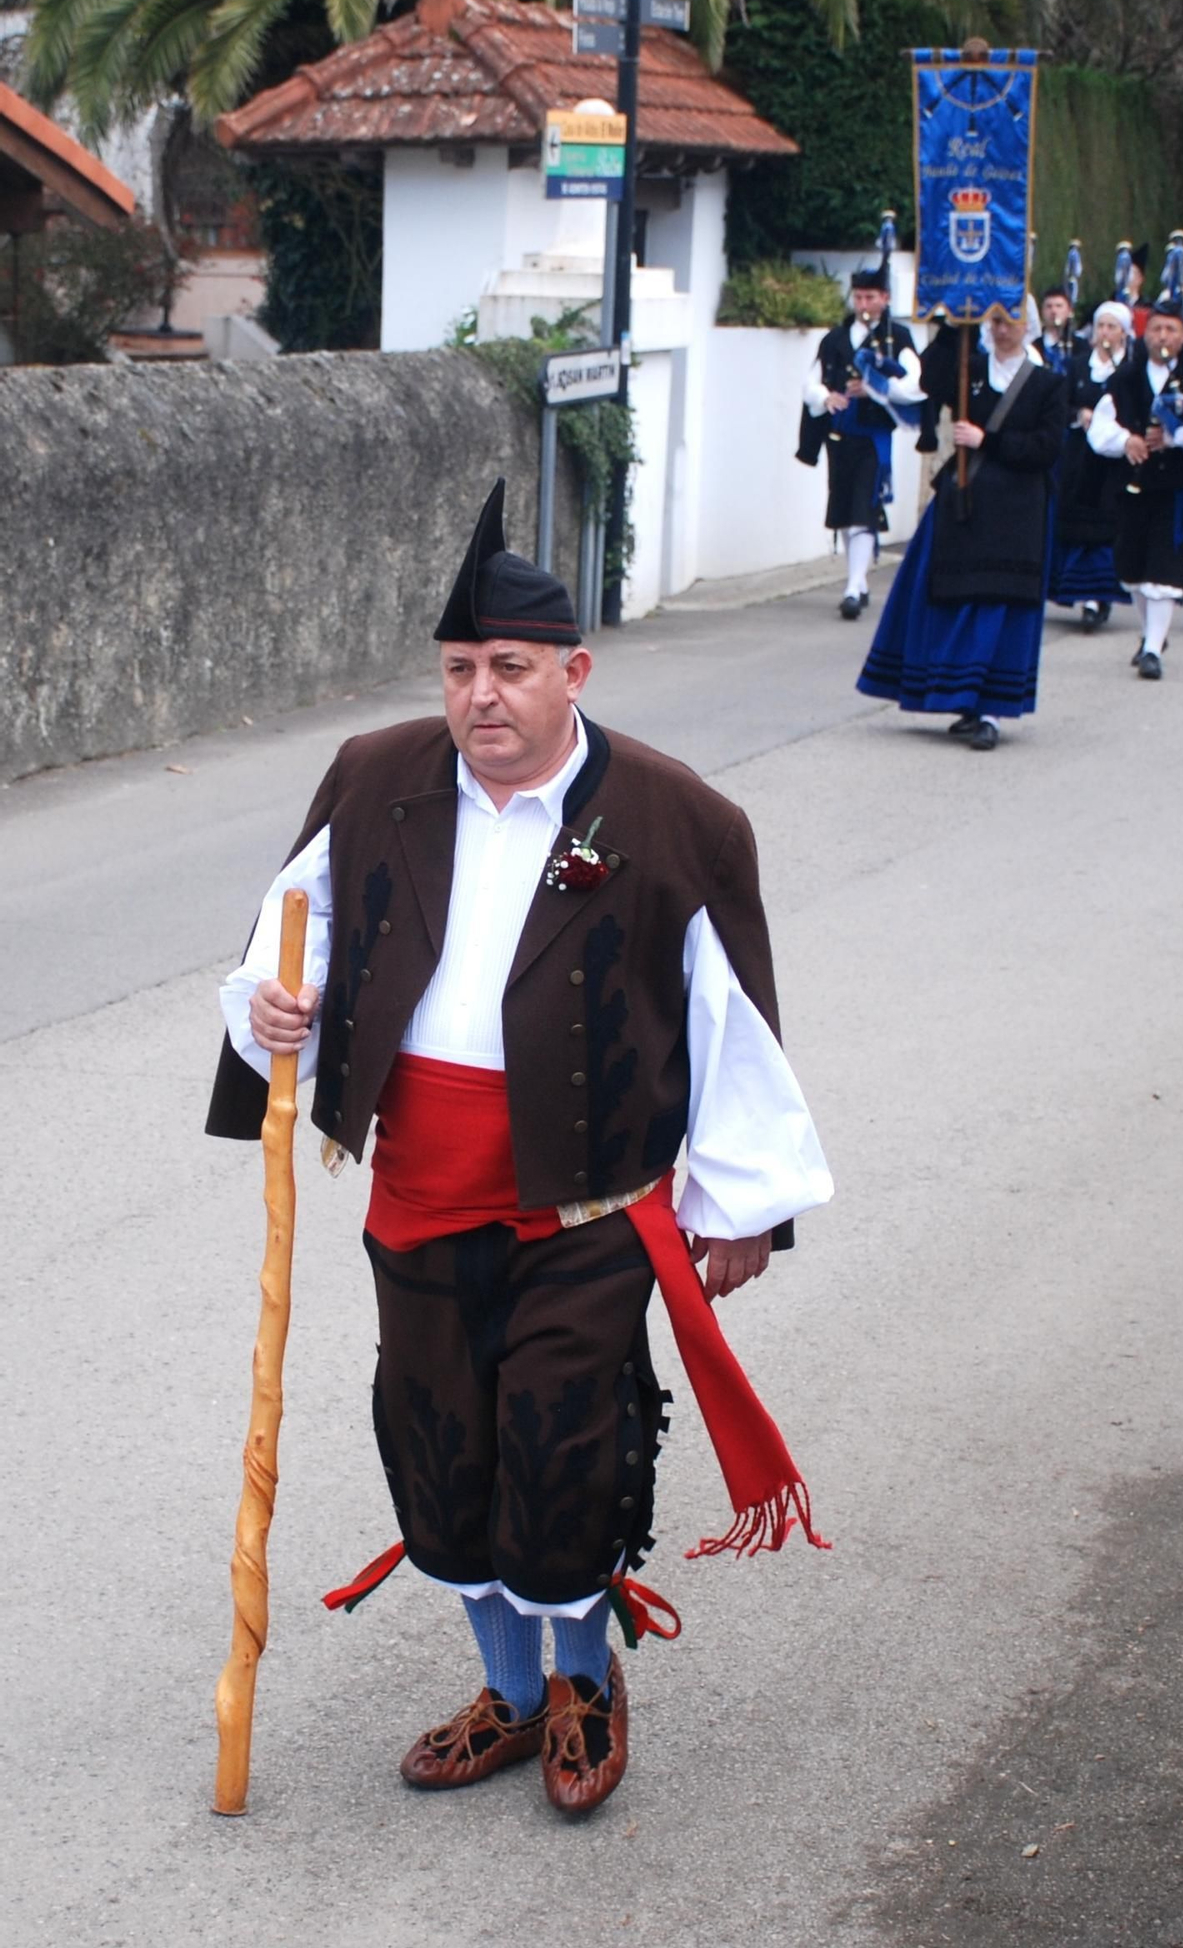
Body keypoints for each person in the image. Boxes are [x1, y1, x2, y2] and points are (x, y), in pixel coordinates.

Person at [207, 482, 833, 1812]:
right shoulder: (376, 780)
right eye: (458, 671)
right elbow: (292, 930)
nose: (481, 696)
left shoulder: (676, 820)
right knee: (444, 1454)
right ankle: (506, 1687)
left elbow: (730, 1024)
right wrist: (268, 1004)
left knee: (565, 1456)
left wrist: (740, 1207)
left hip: (589, 1216)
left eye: (509, 668)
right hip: (417, 1202)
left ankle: (585, 1688)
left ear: (573, 673)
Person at [857, 303, 1070, 750]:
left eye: (1010, 321)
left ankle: (991, 709)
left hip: (1017, 512)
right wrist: (953, 325)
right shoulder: (971, 370)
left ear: (1027, 325)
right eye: (995, 321)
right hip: (965, 504)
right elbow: (931, 382)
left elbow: (1047, 448)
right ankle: (962, 698)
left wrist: (987, 440)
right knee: (957, 595)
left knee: (1000, 602)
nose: (1002, 330)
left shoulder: (1048, 383)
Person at [1087, 297, 1183, 680]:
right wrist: (1127, 442)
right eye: (1156, 329)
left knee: (1166, 565)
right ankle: (1151, 634)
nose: (1163, 336)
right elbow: (1101, 426)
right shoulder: (1125, 377)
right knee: (1132, 567)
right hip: (1132, 484)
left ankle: (1152, 649)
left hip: (1176, 487)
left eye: (1171, 329)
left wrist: (1176, 436)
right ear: (1144, 334)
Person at [798, 269, 923, 620]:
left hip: (873, 437)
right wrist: (827, 397)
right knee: (844, 509)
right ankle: (859, 582)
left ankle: (853, 588)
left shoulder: (897, 337)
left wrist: (875, 388)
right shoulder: (835, 338)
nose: (864, 304)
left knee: (862, 507)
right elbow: (811, 383)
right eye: (859, 297)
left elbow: (915, 383)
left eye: (871, 297)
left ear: (885, 299)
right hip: (840, 436)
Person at [1049, 299, 1133, 631]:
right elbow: (1060, 404)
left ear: (1124, 333)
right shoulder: (1077, 366)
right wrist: (1077, 415)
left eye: (1112, 327)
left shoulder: (1130, 370)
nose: (1105, 333)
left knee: (1108, 525)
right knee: (1078, 523)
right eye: (1101, 326)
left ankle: (1101, 596)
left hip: (1114, 462)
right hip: (1079, 457)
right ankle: (1084, 595)